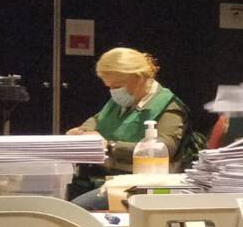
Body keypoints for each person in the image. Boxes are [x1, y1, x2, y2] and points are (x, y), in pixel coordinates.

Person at [67, 47, 188, 209]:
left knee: (77, 209)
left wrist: (109, 146)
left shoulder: (169, 106)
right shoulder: (123, 101)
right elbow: (96, 120)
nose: (113, 92)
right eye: (109, 87)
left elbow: (167, 146)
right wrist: (84, 131)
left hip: (140, 185)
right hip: (105, 178)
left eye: (117, 86)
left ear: (137, 78)